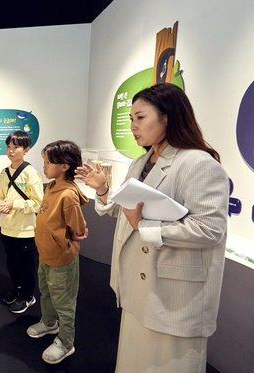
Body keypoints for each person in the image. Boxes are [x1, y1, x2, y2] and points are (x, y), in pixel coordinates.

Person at [75, 83, 229, 373]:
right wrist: (104, 188)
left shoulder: (198, 163)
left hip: (173, 293)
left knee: (166, 364)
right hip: (138, 282)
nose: (133, 126)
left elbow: (210, 229)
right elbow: (125, 208)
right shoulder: (140, 162)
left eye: (140, 117)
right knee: (134, 358)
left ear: (167, 117)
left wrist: (146, 226)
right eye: (131, 119)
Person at [26, 140, 88, 364]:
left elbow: (79, 228)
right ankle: (49, 323)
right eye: (44, 161)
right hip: (45, 254)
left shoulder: (68, 195)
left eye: (48, 162)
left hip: (62, 258)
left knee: (64, 300)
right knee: (46, 291)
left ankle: (66, 342)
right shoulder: (52, 187)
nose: (44, 166)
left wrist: (72, 236)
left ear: (64, 166)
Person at [0, 130, 43, 313]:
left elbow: (39, 203)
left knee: (27, 265)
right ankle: (16, 289)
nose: (11, 151)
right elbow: (0, 196)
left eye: (16, 147)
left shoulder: (31, 173)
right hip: (6, 228)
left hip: (25, 229)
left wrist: (15, 204)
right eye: (8, 147)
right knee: (11, 262)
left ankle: (28, 296)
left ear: (26, 149)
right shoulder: (4, 173)